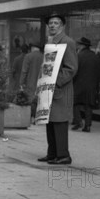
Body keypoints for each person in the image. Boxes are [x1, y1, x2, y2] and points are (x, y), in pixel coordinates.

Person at [37, 14, 78, 165]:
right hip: (49, 89)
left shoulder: (67, 42)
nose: (52, 25)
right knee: (50, 121)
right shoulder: (51, 42)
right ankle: (52, 153)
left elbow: (71, 68)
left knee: (59, 122)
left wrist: (56, 82)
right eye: (50, 23)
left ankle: (63, 155)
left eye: (56, 23)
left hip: (60, 90)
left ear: (62, 26)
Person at [72, 37, 100, 132]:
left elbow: (74, 70)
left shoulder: (78, 56)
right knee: (88, 105)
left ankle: (78, 121)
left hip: (79, 84)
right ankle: (87, 125)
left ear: (82, 46)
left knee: (75, 103)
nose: (78, 46)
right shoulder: (95, 57)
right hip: (91, 86)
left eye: (79, 45)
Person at [20, 42, 44, 123]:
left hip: (30, 82)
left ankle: (31, 117)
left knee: (31, 100)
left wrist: (21, 83)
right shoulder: (44, 56)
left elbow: (24, 71)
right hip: (42, 82)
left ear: (32, 48)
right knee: (40, 100)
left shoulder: (28, 56)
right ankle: (38, 118)